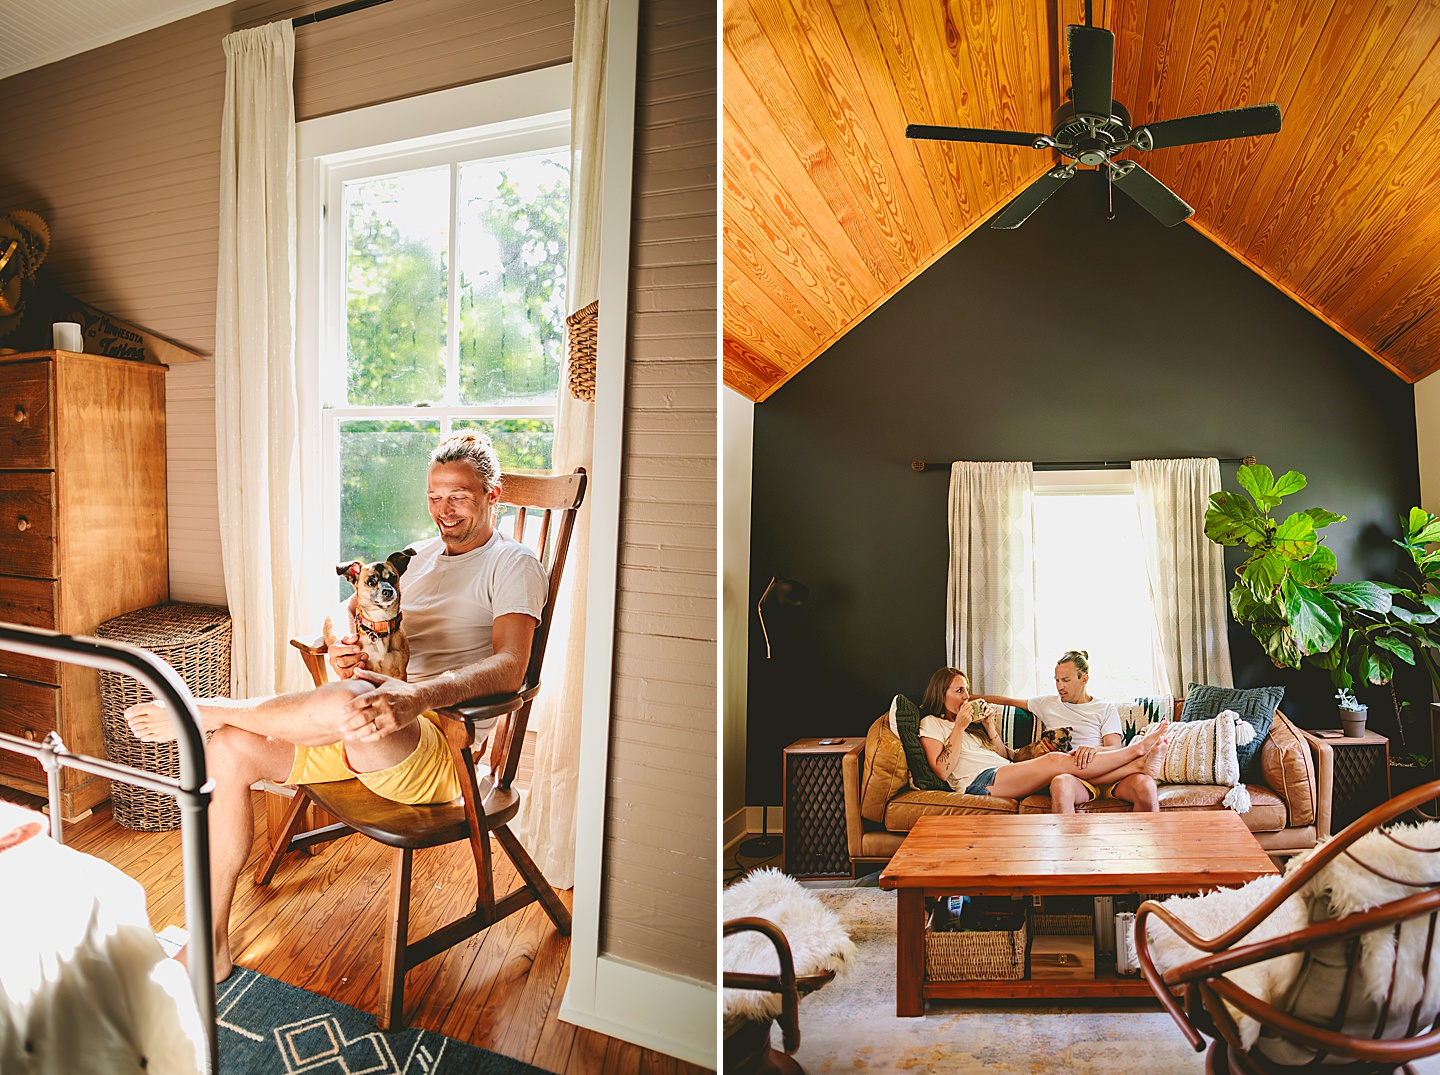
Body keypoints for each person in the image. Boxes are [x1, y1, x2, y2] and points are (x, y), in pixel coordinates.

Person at [124, 431, 548, 982]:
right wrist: (342, 638)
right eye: (435, 495)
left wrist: (418, 694)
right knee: (228, 748)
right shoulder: (414, 559)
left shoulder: (513, 563)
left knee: (353, 697)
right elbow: (338, 610)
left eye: (460, 496)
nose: (444, 509)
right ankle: (211, 944)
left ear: (493, 496)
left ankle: (212, 706)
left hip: (439, 750)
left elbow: (510, 667)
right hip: (361, 727)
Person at [917, 667, 1169, 801]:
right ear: (941, 693)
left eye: (967, 690)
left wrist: (989, 727)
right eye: (959, 691)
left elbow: (1007, 757)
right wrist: (959, 726)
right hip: (979, 783)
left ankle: (1138, 766)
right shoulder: (931, 723)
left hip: (1002, 772)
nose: (967, 697)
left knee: (1060, 769)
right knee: (1054, 760)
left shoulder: (971, 727)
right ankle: (1137, 750)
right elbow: (942, 770)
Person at [979, 650, 1160, 813]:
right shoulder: (1048, 703)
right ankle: (1069, 849)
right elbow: (1008, 701)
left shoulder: (1104, 708)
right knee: (1060, 784)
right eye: (1057, 680)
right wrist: (967, 698)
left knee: (1146, 786)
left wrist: (1095, 750)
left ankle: (1146, 849)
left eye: (1066, 680)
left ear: (1084, 679)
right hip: (1077, 779)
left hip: (1112, 776)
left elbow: (1114, 748)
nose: (1060, 687)